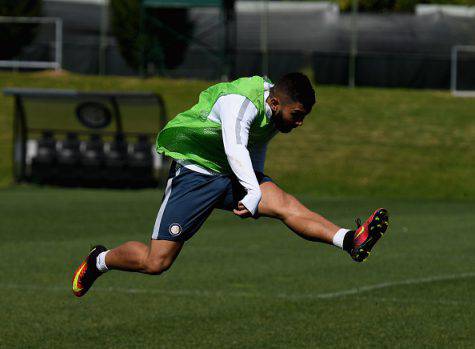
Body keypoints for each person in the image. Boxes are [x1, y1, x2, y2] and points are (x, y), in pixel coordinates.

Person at [72, 73, 389, 297]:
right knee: (156, 263)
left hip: (234, 173)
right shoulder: (240, 101)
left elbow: (256, 144)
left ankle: (350, 240)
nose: (300, 122)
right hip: (195, 175)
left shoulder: (276, 113)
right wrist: (252, 191)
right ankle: (99, 260)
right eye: (297, 115)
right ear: (276, 102)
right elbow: (234, 147)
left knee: (283, 203)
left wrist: (258, 184)